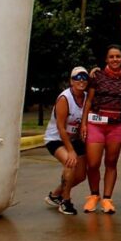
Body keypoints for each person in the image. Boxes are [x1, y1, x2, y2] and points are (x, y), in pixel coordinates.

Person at [80, 45, 121, 214]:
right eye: (111, 57)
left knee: (111, 163)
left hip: (116, 125)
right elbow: (88, 101)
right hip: (95, 124)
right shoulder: (97, 76)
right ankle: (94, 195)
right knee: (93, 163)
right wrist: (83, 123)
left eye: (118, 56)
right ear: (106, 59)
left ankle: (107, 198)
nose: (115, 59)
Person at [43, 66, 89, 216]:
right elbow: (61, 127)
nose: (81, 81)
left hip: (74, 139)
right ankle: (65, 201)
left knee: (81, 175)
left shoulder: (87, 97)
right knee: (71, 162)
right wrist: (70, 150)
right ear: (71, 81)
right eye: (77, 78)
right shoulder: (65, 98)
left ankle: (55, 195)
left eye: (84, 78)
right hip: (56, 138)